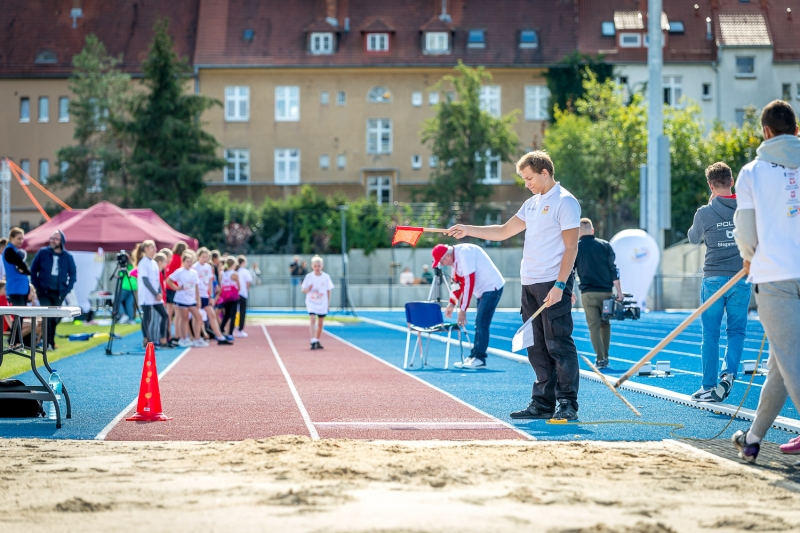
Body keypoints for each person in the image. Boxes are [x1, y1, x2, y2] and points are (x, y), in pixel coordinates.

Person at [446, 151, 581, 421]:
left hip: (551, 284)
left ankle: (566, 404)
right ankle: (542, 403)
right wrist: (468, 229)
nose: (526, 183)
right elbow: (503, 231)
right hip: (529, 283)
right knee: (536, 347)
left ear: (545, 172)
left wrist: (560, 284)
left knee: (558, 344)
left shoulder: (566, 202)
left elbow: (571, 247)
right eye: (523, 179)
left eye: (529, 178)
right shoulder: (531, 204)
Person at [732, 100, 800, 461]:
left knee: (791, 360)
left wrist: (749, 254)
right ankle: (753, 438)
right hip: (781, 271)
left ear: (766, 132)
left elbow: (745, 227)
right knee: (781, 363)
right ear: (797, 130)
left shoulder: (753, 172)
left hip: (775, 275)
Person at [687, 162, 749, 403]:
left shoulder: (704, 212)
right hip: (740, 277)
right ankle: (729, 374)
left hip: (713, 278)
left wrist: (709, 206)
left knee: (710, 334)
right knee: (736, 332)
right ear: (732, 182)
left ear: (710, 186)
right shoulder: (746, 209)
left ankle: (708, 386)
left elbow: (693, 238)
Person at [431, 243, 505, 369]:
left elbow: (469, 283)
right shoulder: (454, 260)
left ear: (447, 256)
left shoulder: (465, 254)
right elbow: (457, 284)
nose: (442, 265)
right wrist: (452, 303)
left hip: (492, 287)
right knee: (479, 323)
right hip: (482, 291)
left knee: (482, 322)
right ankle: (474, 355)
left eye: (442, 261)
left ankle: (480, 358)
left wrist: (462, 310)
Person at [574, 218, 623, 369]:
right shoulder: (605, 245)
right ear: (593, 230)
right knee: (605, 324)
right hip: (606, 293)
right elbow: (613, 270)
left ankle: (600, 358)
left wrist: (569, 291)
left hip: (588, 293)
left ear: (578, 232)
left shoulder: (575, 247)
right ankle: (606, 356)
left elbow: (570, 271)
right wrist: (619, 292)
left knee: (593, 326)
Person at [30, 230, 77, 351]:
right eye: (51, 238)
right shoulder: (43, 252)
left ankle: (50, 341)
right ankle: (47, 343)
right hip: (43, 291)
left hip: (59, 292)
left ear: (62, 241)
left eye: (56, 238)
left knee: (55, 317)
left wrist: (66, 290)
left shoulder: (67, 256)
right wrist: (36, 287)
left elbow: (73, 275)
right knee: (47, 316)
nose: (52, 240)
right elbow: (33, 270)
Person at [167, 250, 208, 348]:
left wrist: (198, 299)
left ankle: (197, 338)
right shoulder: (179, 271)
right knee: (184, 318)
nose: (189, 263)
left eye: (191, 261)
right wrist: (176, 288)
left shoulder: (194, 272)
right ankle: (183, 338)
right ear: (183, 261)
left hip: (191, 299)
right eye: (187, 261)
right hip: (182, 299)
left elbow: (196, 287)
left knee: (198, 317)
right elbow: (169, 280)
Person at [192, 247, 230, 345]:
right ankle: (196, 337)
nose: (205, 259)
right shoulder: (195, 267)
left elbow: (210, 282)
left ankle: (220, 336)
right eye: (203, 257)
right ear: (198, 256)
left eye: (206, 257)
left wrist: (211, 296)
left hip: (205, 295)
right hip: (196, 295)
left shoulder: (208, 267)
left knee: (212, 315)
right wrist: (196, 297)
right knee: (198, 317)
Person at [138, 240, 168, 347]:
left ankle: (163, 339)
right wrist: (155, 293)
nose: (154, 250)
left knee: (164, 315)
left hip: (155, 295)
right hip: (147, 295)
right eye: (152, 247)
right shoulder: (143, 263)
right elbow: (145, 280)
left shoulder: (154, 263)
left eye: (154, 247)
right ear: (146, 249)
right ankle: (146, 339)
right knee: (147, 317)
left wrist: (159, 292)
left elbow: (157, 280)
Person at [302, 255, 334, 350]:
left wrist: (328, 304)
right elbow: (303, 289)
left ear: (322, 266)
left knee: (320, 323)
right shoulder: (309, 277)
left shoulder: (326, 277)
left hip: (322, 302)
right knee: (312, 319)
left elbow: (329, 290)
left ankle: (317, 339)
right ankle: (312, 340)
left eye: (319, 266)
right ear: (312, 266)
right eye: (315, 266)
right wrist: (308, 289)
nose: (317, 268)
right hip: (312, 302)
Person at [218, 257, 240, 338]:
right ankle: (230, 333)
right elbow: (239, 286)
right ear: (233, 265)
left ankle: (220, 331)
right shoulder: (235, 274)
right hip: (233, 297)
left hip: (225, 297)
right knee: (232, 315)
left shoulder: (222, 273)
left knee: (226, 315)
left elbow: (221, 286)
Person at [116, 253, 137, 324]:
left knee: (118, 301)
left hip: (125, 286)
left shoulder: (125, 266)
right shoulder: (133, 265)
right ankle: (131, 319)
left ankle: (123, 315)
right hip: (133, 286)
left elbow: (121, 275)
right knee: (129, 303)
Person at [235, 255, 253, 337]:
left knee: (233, 312)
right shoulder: (245, 271)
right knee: (242, 312)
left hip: (234, 293)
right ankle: (240, 330)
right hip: (242, 293)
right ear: (243, 262)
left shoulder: (235, 271)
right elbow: (248, 282)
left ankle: (231, 329)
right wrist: (246, 290)